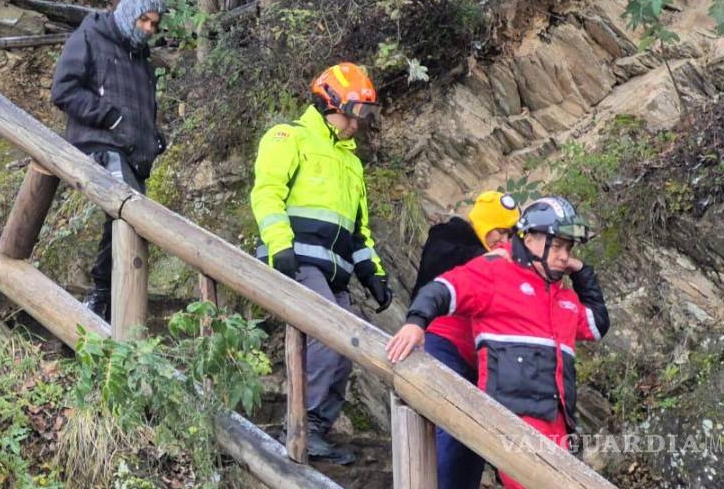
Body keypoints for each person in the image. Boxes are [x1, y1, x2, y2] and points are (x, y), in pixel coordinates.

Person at [387, 196, 610, 489]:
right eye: (556, 246)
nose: (563, 256)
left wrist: (581, 272)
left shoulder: (565, 299)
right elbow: (443, 288)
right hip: (512, 421)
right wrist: (416, 322)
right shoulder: (495, 272)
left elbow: (596, 325)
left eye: (568, 248)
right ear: (528, 238)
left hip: (559, 424)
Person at [250, 62, 392, 466]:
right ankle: (300, 429)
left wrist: (373, 274)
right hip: (295, 261)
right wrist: (280, 246)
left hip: (335, 272)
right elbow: (267, 194)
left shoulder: (351, 163)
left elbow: (358, 232)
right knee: (328, 338)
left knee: (346, 346)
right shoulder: (288, 137)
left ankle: (318, 429)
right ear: (332, 104)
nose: (358, 124)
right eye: (355, 113)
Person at [51, 0, 167, 319]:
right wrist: (109, 116)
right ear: (130, 13)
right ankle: (100, 298)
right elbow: (64, 90)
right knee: (125, 217)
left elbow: (141, 112)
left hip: (133, 156)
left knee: (136, 225)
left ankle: (115, 308)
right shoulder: (90, 37)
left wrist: (154, 138)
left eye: (155, 24)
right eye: (145, 20)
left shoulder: (143, 61)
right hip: (97, 146)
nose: (149, 29)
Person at [411, 191, 520, 489]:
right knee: (453, 426)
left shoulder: (507, 262)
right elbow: (441, 265)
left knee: (473, 443)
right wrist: (488, 259)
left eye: (511, 233)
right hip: (441, 342)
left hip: (480, 359)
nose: (503, 239)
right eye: (500, 230)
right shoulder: (449, 235)